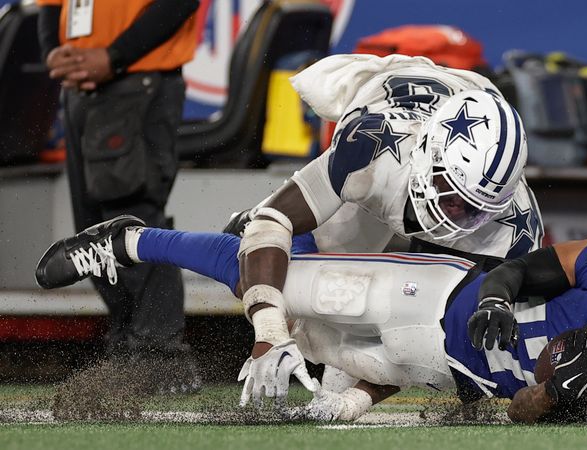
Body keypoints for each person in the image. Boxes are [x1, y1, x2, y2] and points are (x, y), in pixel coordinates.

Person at [35, 217, 587, 423]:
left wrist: (556, 396)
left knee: (329, 396)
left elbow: (519, 415)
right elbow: (526, 270)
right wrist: (492, 298)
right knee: (279, 283)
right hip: (433, 299)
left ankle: (349, 386)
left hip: (433, 371)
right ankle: (128, 240)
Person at [220, 53, 544, 397]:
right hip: (388, 94)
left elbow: (434, 344)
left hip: (472, 95)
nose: (455, 215)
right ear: (425, 155)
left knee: (431, 313)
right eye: (449, 193)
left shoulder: (513, 230)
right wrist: (268, 332)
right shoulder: (372, 150)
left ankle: (339, 387)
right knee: (327, 287)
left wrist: (357, 400)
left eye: (474, 210)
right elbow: (275, 220)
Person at [36, 0, 200, 388]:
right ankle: (130, 346)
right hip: (82, 91)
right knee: (93, 231)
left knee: (134, 222)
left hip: (137, 82)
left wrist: (113, 57)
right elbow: (49, 6)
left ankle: (161, 355)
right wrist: (54, 55)